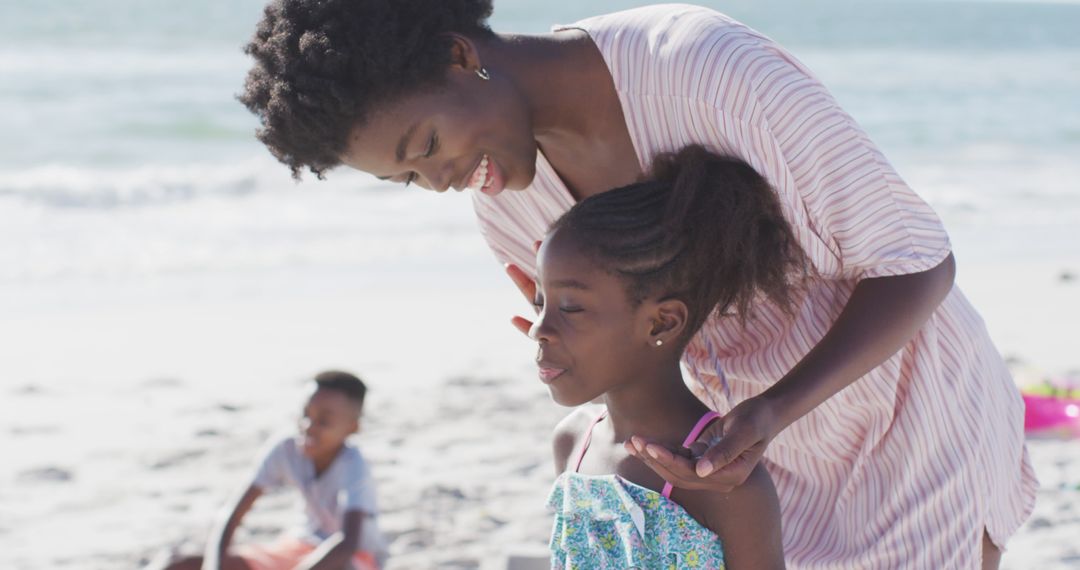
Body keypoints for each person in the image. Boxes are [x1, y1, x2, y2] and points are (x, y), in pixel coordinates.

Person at [238, 1, 1036, 567]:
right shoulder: (507, 209)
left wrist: (772, 410)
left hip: (908, 412)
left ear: (459, 55)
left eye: (429, 143)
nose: (442, 179)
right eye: (408, 177)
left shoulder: (701, 68)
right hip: (751, 458)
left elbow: (917, 260)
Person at [539, 146, 789, 568]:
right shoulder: (571, 442)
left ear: (661, 323)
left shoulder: (724, 482)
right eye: (539, 302)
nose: (538, 329)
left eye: (571, 308)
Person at [162, 371, 387, 570]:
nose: (309, 426)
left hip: (354, 559)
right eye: (305, 414)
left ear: (352, 427)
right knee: (178, 564)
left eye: (324, 421)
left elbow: (348, 543)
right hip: (299, 547)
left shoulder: (354, 465)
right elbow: (232, 515)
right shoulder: (286, 448)